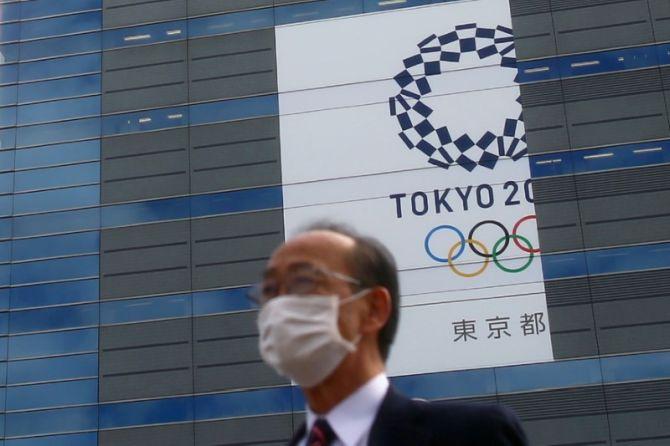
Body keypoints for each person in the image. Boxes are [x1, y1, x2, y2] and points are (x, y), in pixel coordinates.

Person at [254, 222, 528, 446]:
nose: (280, 305)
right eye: (269, 290)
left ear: (374, 308)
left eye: (303, 281)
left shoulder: (474, 435)